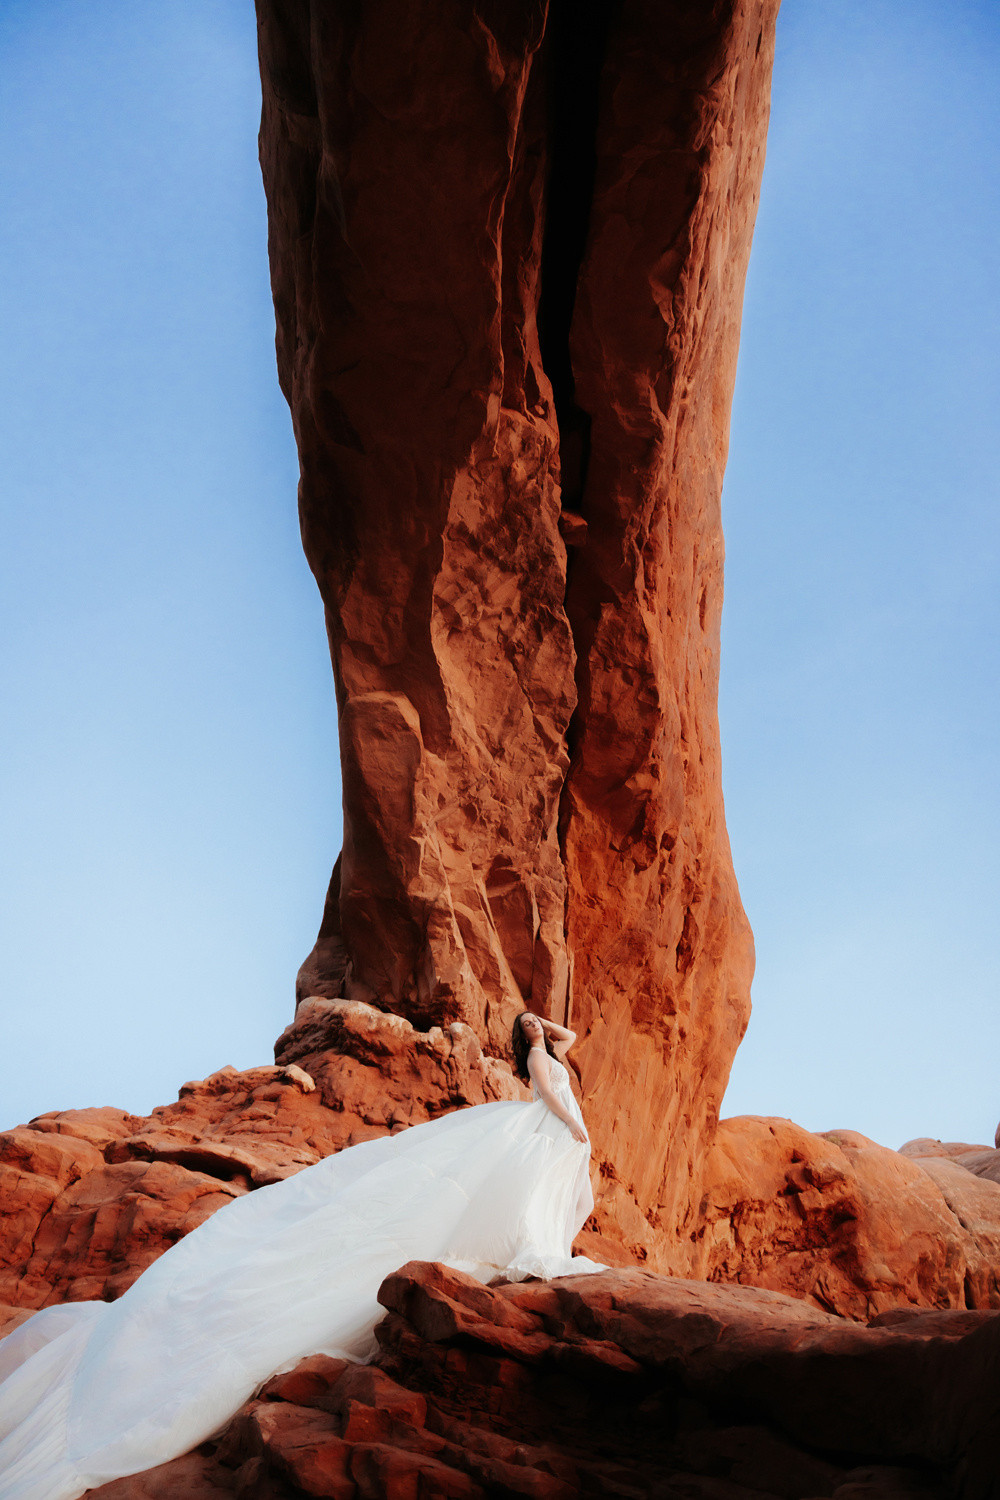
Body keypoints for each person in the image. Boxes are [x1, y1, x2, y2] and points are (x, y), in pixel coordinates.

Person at [0, 1011, 604, 1500]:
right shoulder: (537, 1063)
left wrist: (548, 1031)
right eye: (527, 1027)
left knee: (522, 1196)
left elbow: (569, 1042)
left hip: (544, 1133)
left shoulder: (551, 1045)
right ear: (522, 1038)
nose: (534, 1031)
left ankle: (533, 1245)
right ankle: (523, 1247)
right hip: (540, 1128)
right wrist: (569, 1121)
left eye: (534, 1027)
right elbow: (549, 1089)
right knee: (501, 1197)